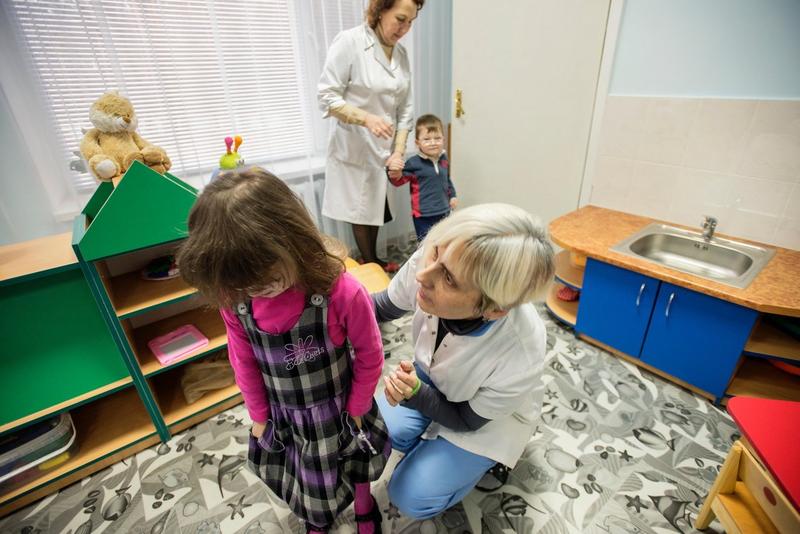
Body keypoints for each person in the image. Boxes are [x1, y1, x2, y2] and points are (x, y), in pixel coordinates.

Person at [176, 168, 390, 534]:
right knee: (309, 478)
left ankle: (364, 503)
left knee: (355, 459)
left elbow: (370, 353)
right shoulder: (237, 302)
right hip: (287, 415)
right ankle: (316, 518)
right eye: (245, 283)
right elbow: (243, 361)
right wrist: (258, 414)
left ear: (295, 242)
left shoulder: (341, 292)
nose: (258, 290)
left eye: (267, 276)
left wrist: (357, 407)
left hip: (340, 407)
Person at [372, 203, 555, 520]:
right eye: (435, 254)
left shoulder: (520, 350)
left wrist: (417, 395)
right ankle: (426, 442)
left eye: (449, 280)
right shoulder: (442, 255)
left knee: (409, 495)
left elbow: (467, 420)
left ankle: (478, 465)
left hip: (485, 420)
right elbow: (383, 306)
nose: (422, 276)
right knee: (378, 431)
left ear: (494, 309)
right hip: (431, 376)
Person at [318, 0, 426, 273]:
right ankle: (370, 264)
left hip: (384, 150)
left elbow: (406, 110)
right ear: (380, 11)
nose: (405, 28)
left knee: (374, 210)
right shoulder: (350, 42)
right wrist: (365, 118)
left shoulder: (400, 54)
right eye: (400, 19)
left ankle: (373, 260)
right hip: (354, 148)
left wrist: (399, 150)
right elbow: (327, 97)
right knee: (360, 211)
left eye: (411, 22)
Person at [387, 114, 457, 241]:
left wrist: (452, 195)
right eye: (427, 139)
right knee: (425, 245)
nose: (433, 143)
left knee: (443, 241)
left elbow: (447, 180)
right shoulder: (414, 163)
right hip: (423, 215)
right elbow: (398, 180)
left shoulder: (443, 159)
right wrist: (394, 173)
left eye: (437, 138)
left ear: (443, 139)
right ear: (417, 142)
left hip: (444, 210)